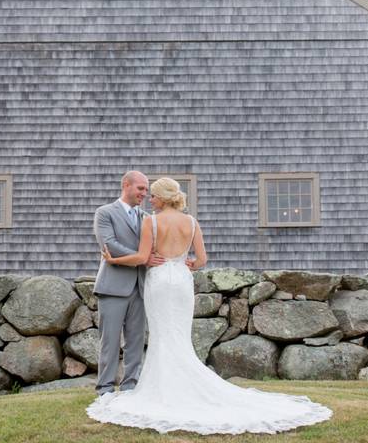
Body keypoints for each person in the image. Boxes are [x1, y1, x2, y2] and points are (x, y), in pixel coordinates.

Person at [87, 177, 333, 435]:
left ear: (162, 197)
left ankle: (152, 389)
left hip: (159, 282)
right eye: (144, 191)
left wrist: (113, 257)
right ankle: (167, 387)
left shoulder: (151, 221)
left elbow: (141, 257)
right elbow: (201, 259)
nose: (149, 198)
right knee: (179, 337)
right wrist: (185, 264)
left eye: (153, 194)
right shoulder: (191, 222)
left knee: (160, 336)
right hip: (181, 280)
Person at [92, 171, 164, 396]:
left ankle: (131, 386)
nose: (144, 193)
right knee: (110, 341)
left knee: (135, 341)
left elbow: (155, 248)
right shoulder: (105, 213)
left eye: (146, 190)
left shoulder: (147, 218)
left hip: (141, 288)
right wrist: (142, 258)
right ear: (126, 185)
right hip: (112, 286)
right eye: (140, 188)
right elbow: (109, 246)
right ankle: (105, 388)